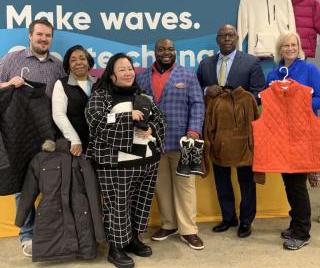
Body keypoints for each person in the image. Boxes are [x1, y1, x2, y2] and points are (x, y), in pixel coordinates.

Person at [85, 53, 165, 268]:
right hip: (114, 165)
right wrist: (127, 116)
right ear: (111, 75)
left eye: (130, 68)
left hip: (146, 162)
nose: (128, 72)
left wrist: (151, 128)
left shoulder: (143, 95)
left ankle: (133, 239)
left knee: (141, 203)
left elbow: (159, 118)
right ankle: (116, 248)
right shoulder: (100, 96)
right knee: (117, 206)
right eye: (122, 69)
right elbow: (96, 121)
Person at [0, 18, 65, 256]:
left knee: (52, 184)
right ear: (30, 35)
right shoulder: (12, 60)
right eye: (39, 34)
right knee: (22, 185)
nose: (43, 39)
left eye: (48, 36)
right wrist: (8, 83)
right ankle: (27, 235)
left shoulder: (57, 66)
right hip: (19, 134)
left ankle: (50, 232)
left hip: (49, 134)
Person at [136, 38, 205, 250]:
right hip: (153, 142)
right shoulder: (142, 77)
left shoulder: (187, 74)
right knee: (161, 186)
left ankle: (189, 230)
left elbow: (197, 103)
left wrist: (193, 130)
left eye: (170, 49)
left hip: (183, 140)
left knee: (185, 186)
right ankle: (169, 224)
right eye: (161, 49)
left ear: (175, 52)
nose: (166, 52)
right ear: (155, 52)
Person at [197, 24, 265, 238]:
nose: (227, 38)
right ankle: (228, 218)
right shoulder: (206, 64)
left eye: (231, 35)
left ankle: (246, 220)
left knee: (245, 177)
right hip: (216, 129)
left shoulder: (251, 62)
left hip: (242, 130)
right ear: (217, 40)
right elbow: (197, 91)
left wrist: (234, 98)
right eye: (223, 35)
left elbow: (258, 94)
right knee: (221, 176)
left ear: (237, 38)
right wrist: (208, 89)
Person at [266, 31, 320, 250]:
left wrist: (302, 103)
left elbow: (319, 97)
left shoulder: (309, 69)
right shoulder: (273, 74)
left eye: (293, 44)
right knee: (288, 182)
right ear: (280, 49)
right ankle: (295, 221)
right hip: (280, 136)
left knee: (297, 184)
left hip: (302, 134)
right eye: (285, 45)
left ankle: (302, 232)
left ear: (299, 46)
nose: (290, 48)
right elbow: (268, 102)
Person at [52, 45, 95, 156]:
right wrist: (75, 140)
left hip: (98, 144)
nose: (79, 62)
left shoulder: (98, 83)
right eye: (73, 60)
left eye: (82, 58)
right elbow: (58, 114)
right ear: (68, 66)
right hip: (74, 146)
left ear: (89, 62)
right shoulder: (61, 84)